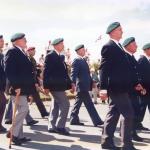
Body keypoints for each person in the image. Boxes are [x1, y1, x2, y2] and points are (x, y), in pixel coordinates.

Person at [99, 22, 136, 150]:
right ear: (113, 31)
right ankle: (127, 145)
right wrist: (103, 88)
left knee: (113, 114)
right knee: (129, 114)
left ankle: (106, 142)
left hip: (120, 87)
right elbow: (103, 69)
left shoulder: (118, 46)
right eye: (120, 30)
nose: (122, 31)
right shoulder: (108, 46)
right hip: (116, 88)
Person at [4, 33, 36, 145]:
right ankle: (13, 132)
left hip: (23, 88)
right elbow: (9, 70)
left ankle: (18, 135)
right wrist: (16, 86)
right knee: (24, 109)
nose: (26, 41)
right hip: (17, 88)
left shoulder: (22, 52)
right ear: (16, 41)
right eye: (23, 39)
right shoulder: (11, 51)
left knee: (20, 111)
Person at [43, 38, 72, 136]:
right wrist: (46, 86)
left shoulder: (60, 56)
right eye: (61, 44)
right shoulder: (50, 56)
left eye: (63, 43)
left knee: (55, 105)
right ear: (55, 46)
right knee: (66, 104)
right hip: (54, 86)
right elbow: (46, 72)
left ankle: (51, 126)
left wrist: (70, 83)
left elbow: (64, 73)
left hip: (60, 86)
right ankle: (60, 127)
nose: (63, 45)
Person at [70, 44, 103, 127]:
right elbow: (73, 73)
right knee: (89, 104)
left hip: (84, 85)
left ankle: (73, 119)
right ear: (78, 51)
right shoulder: (76, 60)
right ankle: (97, 121)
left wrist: (92, 82)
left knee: (78, 103)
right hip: (81, 85)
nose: (84, 50)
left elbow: (87, 74)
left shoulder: (83, 60)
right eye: (83, 49)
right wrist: (72, 83)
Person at [122, 37, 145, 142]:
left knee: (131, 112)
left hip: (134, 89)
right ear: (128, 46)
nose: (136, 46)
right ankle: (130, 134)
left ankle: (131, 132)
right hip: (128, 90)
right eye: (134, 44)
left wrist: (138, 84)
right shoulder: (125, 57)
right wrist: (134, 85)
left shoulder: (131, 57)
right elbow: (126, 75)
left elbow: (135, 74)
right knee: (129, 113)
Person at [27, 47, 49, 118]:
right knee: (22, 100)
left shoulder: (32, 59)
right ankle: (10, 117)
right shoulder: (28, 59)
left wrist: (38, 67)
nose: (35, 52)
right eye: (33, 51)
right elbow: (31, 72)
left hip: (32, 81)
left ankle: (44, 113)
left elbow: (34, 70)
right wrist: (35, 82)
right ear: (29, 51)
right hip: (30, 82)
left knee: (37, 98)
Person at [137, 43, 150, 130]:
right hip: (144, 89)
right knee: (141, 107)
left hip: (148, 88)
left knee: (144, 107)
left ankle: (137, 123)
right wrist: (141, 87)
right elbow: (138, 74)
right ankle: (137, 124)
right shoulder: (142, 59)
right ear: (147, 50)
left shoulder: (148, 60)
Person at [0, 35, 7, 133]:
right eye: (1, 41)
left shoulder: (2, 54)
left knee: (2, 103)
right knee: (3, 102)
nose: (2, 42)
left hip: (1, 84)